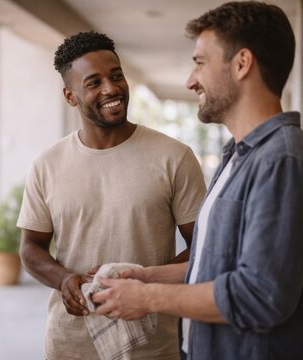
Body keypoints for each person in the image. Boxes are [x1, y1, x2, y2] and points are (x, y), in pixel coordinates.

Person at [92, 2, 303, 359]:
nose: (191, 80)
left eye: (200, 63)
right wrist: (147, 277)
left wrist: (146, 299)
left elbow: (261, 294)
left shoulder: (280, 160)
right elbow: (220, 266)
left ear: (242, 64)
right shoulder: (237, 155)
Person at [17, 31, 206, 360]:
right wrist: (64, 280)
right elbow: (31, 247)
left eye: (116, 76)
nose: (111, 88)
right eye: (93, 82)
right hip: (70, 344)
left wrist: (143, 285)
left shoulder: (174, 156)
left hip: (153, 345)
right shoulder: (47, 164)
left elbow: (204, 246)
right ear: (70, 95)